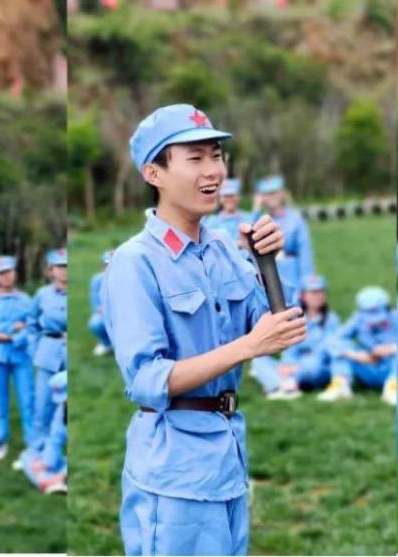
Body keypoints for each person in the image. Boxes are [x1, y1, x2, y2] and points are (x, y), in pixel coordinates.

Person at [102, 103, 305, 556]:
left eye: (217, 155)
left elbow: (280, 331)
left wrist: (267, 262)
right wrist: (246, 347)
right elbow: (146, 379)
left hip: (227, 455)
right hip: (173, 471)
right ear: (154, 173)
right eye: (195, 158)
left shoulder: (224, 250)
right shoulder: (135, 263)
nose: (213, 170)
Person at [0, 255, 34, 462]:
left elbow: (31, 329)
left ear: (15, 273)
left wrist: (9, 335)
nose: (6, 276)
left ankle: (32, 444)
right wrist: (16, 327)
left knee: (27, 400)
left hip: (21, 357)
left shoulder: (25, 300)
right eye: (1, 273)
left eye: (9, 272)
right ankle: (1, 441)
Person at [252, 274, 340, 400]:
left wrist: (297, 368)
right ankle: (281, 386)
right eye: (313, 293)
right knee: (259, 361)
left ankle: (283, 385)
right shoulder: (295, 317)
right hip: (294, 363)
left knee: (312, 364)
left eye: (320, 292)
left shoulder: (331, 319)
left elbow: (327, 350)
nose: (317, 296)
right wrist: (288, 364)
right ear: (303, 296)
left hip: (318, 366)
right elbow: (290, 347)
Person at [18, 248, 67, 472]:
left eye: (67, 266)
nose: (64, 271)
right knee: (43, 405)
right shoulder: (42, 294)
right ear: (51, 271)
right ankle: (36, 451)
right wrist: (34, 350)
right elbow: (31, 323)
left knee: (66, 408)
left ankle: (58, 454)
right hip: (48, 353)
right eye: (60, 266)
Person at [317, 285, 398, 402]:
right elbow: (332, 340)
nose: (374, 321)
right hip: (368, 366)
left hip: (392, 368)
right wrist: (356, 355)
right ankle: (341, 386)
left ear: (387, 307)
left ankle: (393, 388)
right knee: (342, 350)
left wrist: (393, 348)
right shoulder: (358, 319)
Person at [252, 174, 314, 306]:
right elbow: (249, 240)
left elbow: (305, 254)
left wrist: (307, 286)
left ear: (282, 193)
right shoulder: (259, 219)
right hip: (268, 273)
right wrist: (256, 209)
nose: (271, 197)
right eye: (267, 194)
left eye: (274, 192)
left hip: (291, 273)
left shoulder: (295, 219)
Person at [202, 178, 252, 245]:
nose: (229, 199)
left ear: (238, 197)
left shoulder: (249, 218)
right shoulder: (211, 221)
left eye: (232, 195)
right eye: (226, 196)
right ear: (220, 198)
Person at [88, 250, 114, 356]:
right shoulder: (97, 280)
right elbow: (96, 301)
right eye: (107, 265)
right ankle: (106, 343)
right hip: (106, 311)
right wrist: (102, 309)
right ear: (103, 266)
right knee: (96, 323)